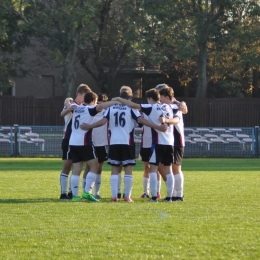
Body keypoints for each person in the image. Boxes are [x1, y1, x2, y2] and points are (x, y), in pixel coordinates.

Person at [81, 86, 168, 202]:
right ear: (130, 98)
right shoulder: (130, 108)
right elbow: (141, 120)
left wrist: (90, 126)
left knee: (115, 168)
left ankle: (114, 196)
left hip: (114, 142)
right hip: (127, 142)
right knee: (128, 168)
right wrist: (157, 127)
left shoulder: (111, 108)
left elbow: (103, 121)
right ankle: (127, 196)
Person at [113, 88, 180, 202]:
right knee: (168, 169)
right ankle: (169, 197)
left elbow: (132, 104)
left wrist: (119, 99)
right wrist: (167, 120)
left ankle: (154, 197)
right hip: (170, 142)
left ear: (149, 98)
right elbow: (177, 118)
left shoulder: (151, 107)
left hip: (157, 143)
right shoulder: (171, 107)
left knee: (153, 168)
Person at [69, 91, 121, 202]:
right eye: (96, 102)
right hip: (84, 142)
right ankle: (87, 192)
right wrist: (116, 101)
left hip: (73, 142)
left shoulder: (77, 108)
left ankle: (74, 195)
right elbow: (101, 106)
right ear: (93, 101)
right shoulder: (90, 109)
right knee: (95, 166)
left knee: (77, 169)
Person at [59, 84, 91, 200]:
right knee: (67, 167)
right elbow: (62, 114)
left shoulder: (83, 106)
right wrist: (68, 107)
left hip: (79, 141)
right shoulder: (72, 105)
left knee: (77, 167)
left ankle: (73, 192)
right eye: (84, 95)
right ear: (79, 94)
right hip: (68, 139)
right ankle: (63, 193)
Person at [158, 86, 187, 201]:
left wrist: (166, 121)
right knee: (168, 167)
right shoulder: (168, 106)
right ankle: (174, 193)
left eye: (161, 97)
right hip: (169, 141)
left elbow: (177, 119)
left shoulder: (176, 107)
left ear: (165, 96)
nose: (160, 100)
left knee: (176, 168)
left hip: (177, 141)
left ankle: (178, 194)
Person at [81, 93, 109, 199]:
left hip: (101, 143)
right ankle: (86, 191)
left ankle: (96, 192)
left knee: (99, 168)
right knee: (88, 167)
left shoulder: (106, 112)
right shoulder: (90, 111)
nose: (101, 105)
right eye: (100, 103)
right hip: (90, 142)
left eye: (104, 103)